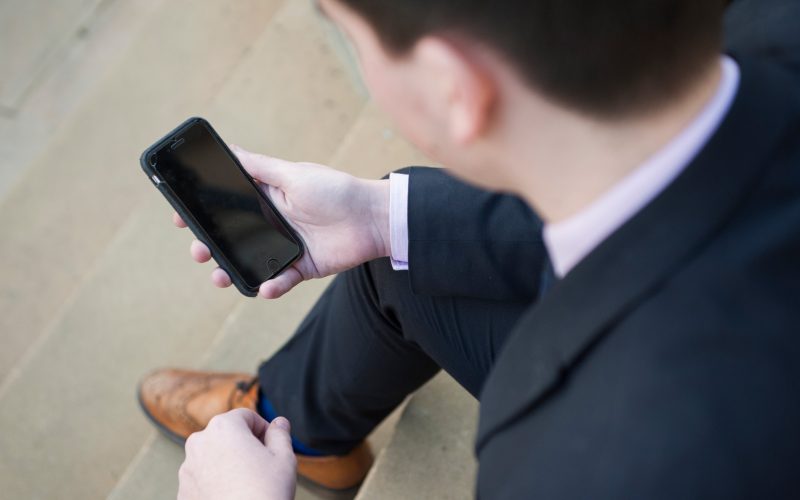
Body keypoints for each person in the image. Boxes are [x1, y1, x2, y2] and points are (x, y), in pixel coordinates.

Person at [138, 0, 800, 498]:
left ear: (453, 88)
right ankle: (296, 426)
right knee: (406, 258)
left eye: (355, 38)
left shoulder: (583, 467)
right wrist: (380, 215)